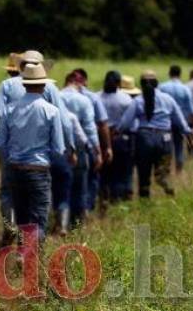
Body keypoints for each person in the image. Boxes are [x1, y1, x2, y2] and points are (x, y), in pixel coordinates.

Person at [0, 51, 73, 243]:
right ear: (43, 83)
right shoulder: (51, 109)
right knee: (39, 215)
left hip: (14, 165)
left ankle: (20, 247)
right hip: (39, 167)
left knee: (20, 211)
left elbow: (1, 141)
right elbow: (59, 145)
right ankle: (32, 257)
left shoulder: (10, 108)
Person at [116, 70, 193, 199]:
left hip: (144, 139)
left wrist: (117, 132)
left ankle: (144, 200)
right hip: (165, 139)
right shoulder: (168, 99)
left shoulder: (138, 101)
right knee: (162, 173)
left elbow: (125, 123)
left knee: (144, 175)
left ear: (141, 84)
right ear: (157, 83)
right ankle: (170, 194)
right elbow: (180, 121)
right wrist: (189, 134)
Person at [58, 70, 101, 230]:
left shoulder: (57, 97)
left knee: (61, 187)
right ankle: (78, 226)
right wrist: (97, 151)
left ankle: (61, 223)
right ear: (79, 83)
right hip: (81, 148)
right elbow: (90, 129)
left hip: (59, 149)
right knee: (80, 187)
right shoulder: (84, 100)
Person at [72, 67, 112, 214]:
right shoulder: (92, 98)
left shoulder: (59, 96)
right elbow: (101, 124)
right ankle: (86, 210)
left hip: (66, 147)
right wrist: (104, 148)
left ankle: (70, 215)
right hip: (87, 145)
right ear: (85, 81)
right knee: (91, 179)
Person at [98, 71, 136, 203]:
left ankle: (103, 198)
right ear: (119, 83)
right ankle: (117, 199)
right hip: (120, 139)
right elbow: (133, 123)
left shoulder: (96, 97)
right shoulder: (126, 99)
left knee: (103, 171)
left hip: (101, 139)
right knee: (121, 171)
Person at [160, 65, 193, 172]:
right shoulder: (185, 89)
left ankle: (165, 170)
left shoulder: (162, 87)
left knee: (166, 147)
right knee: (179, 146)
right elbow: (191, 110)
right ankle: (178, 172)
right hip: (181, 122)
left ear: (169, 73)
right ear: (180, 74)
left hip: (165, 122)